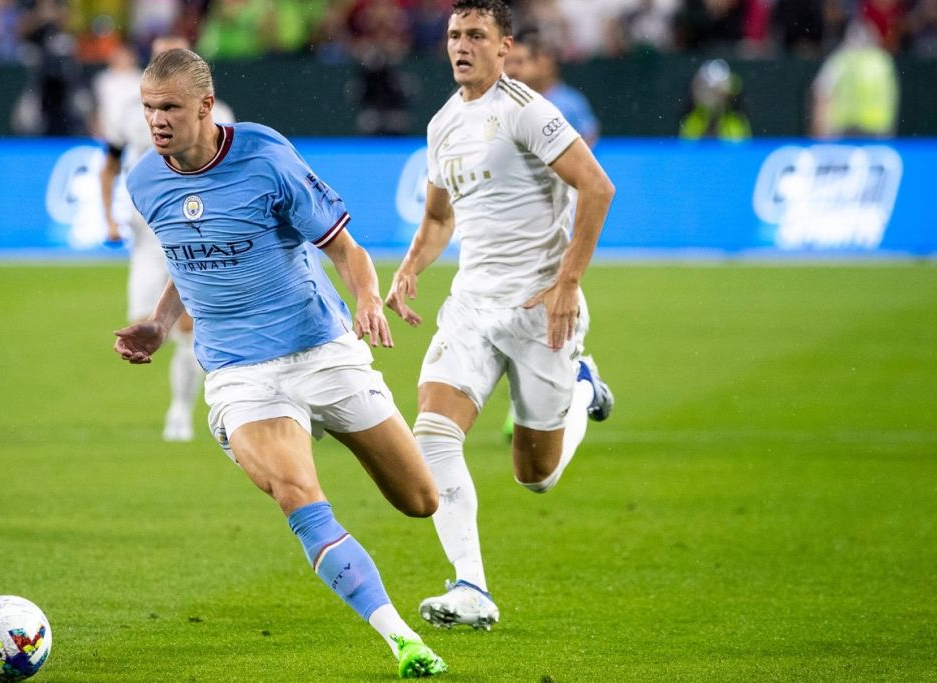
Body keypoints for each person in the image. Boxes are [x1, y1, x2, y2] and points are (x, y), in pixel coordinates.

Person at [112, 48, 448, 678]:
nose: (156, 122)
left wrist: (369, 297)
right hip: (241, 374)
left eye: (170, 109)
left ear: (206, 107)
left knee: (421, 500)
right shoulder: (144, 181)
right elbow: (188, 261)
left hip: (322, 348)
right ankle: (402, 639)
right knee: (297, 492)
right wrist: (158, 326)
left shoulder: (266, 157)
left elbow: (344, 248)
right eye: (149, 108)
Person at [385, 0, 615, 631]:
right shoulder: (441, 124)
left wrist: (568, 282)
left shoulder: (528, 112)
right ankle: (471, 587)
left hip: (539, 309)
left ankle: (582, 385)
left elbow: (597, 187)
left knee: (533, 476)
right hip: (470, 306)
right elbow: (437, 218)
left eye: (476, 35)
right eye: (455, 35)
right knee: (431, 434)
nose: (461, 45)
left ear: (504, 46)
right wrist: (409, 270)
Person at [96, 35, 234, 442]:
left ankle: (182, 410)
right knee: (145, 321)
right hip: (146, 238)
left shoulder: (218, 111)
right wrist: (108, 218)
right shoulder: (128, 113)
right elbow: (108, 164)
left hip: (193, 230)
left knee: (187, 326)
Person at [504, 26, 600, 147]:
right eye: (508, 63)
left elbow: (589, 136)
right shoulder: (508, 100)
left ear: (545, 64)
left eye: (520, 62)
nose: (513, 70)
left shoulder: (570, 102)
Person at [811, 21, 899, 139]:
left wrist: (820, 133)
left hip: (845, 131)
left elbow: (822, 94)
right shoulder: (883, 62)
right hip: (879, 131)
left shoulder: (841, 59)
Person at [679, 58, 751, 141]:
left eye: (716, 91)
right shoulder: (693, 120)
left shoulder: (735, 121)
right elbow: (686, 145)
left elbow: (741, 147)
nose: (712, 94)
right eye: (706, 89)